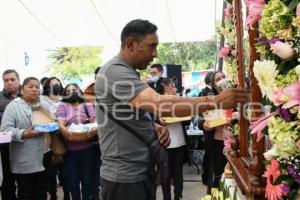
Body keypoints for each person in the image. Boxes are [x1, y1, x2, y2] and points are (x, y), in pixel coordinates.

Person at [95, 19, 247, 200]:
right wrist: (216, 100)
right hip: (124, 178)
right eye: (151, 46)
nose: (155, 54)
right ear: (130, 44)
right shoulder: (115, 71)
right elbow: (160, 104)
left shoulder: (127, 72)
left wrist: (154, 127)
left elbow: (130, 112)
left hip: (139, 172)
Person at [1, 77, 49, 200]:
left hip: (43, 157)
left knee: (41, 193)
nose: (34, 89)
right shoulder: (13, 106)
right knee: (25, 194)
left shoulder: (43, 103)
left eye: (37, 87)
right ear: (22, 89)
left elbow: (51, 121)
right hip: (23, 160)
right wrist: (24, 134)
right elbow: (4, 130)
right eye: (30, 86)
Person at [56, 83, 97, 200]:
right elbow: (61, 123)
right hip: (70, 151)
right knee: (73, 181)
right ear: (64, 95)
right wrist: (63, 129)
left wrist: (94, 130)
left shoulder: (87, 105)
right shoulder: (62, 106)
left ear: (79, 91)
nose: (71, 93)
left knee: (87, 179)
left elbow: (95, 121)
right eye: (68, 91)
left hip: (87, 149)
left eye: (74, 90)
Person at [155, 77, 190, 200]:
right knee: (165, 175)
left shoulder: (179, 100)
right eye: (173, 85)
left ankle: (178, 197)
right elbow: (152, 121)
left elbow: (188, 119)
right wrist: (159, 123)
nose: (175, 87)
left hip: (179, 142)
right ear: (166, 86)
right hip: (165, 143)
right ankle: (167, 198)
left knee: (178, 173)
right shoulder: (157, 101)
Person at [41, 77, 70, 200]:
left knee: (65, 172)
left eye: (58, 84)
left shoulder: (65, 100)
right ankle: (53, 194)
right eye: (53, 84)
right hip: (48, 142)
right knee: (50, 173)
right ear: (47, 87)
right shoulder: (41, 100)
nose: (56, 86)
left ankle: (67, 194)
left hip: (65, 140)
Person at [201, 71, 229, 194]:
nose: (222, 80)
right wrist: (204, 125)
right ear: (213, 84)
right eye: (218, 79)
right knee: (219, 175)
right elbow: (201, 119)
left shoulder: (234, 97)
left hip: (236, 144)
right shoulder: (210, 100)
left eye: (223, 77)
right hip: (218, 143)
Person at [0, 69, 20, 200]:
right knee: (8, 178)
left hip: (25, 142)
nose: (9, 82)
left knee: (25, 177)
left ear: (18, 80)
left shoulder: (27, 95)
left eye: (12, 79)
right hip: (6, 143)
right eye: (6, 80)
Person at [83, 67, 102, 200]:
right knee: (92, 168)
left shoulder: (116, 92)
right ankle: (94, 194)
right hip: (92, 138)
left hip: (110, 139)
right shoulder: (87, 94)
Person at [197, 71, 214, 186]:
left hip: (213, 127)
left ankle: (207, 177)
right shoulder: (204, 93)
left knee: (209, 154)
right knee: (209, 154)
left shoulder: (212, 92)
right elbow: (199, 114)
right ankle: (206, 178)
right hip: (209, 127)